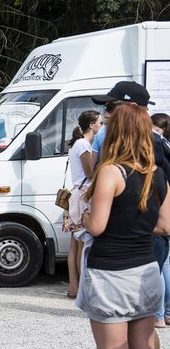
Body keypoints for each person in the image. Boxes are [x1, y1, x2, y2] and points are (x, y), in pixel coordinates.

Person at [58, 82, 167, 349]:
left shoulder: (116, 165)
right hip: (146, 262)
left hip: (117, 261)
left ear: (124, 116)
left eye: (109, 111)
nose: (103, 118)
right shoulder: (156, 163)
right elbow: (163, 221)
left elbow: (99, 224)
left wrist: (85, 215)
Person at [62, 111, 101, 299]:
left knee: (74, 244)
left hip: (76, 195)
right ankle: (82, 289)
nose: (102, 125)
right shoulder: (84, 145)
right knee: (83, 242)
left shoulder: (76, 144)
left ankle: (73, 287)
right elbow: (91, 173)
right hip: (84, 195)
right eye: (100, 122)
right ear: (92, 125)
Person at [152, 112, 170, 329]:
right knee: (166, 265)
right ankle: (166, 312)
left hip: (160, 215)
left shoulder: (157, 166)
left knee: (157, 268)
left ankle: (158, 315)